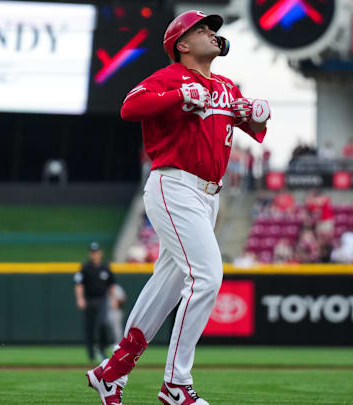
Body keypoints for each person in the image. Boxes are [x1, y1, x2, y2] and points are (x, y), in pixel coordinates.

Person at [85, 10, 270, 405]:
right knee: (205, 278)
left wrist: (255, 115)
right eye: (202, 29)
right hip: (175, 184)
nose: (211, 33)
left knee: (166, 287)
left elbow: (252, 129)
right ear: (181, 45)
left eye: (212, 29)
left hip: (209, 196)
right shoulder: (171, 77)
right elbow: (129, 108)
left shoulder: (224, 84)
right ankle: (175, 385)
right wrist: (178, 96)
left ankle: (112, 372)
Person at [74, 242, 116, 363]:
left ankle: (102, 349)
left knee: (102, 323)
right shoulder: (85, 268)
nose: (94, 255)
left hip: (102, 299)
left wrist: (113, 299)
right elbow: (79, 285)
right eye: (92, 252)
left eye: (96, 252)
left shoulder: (105, 267)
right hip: (89, 300)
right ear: (90, 254)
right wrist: (80, 299)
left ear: (100, 253)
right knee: (89, 327)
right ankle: (91, 355)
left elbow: (112, 285)